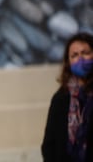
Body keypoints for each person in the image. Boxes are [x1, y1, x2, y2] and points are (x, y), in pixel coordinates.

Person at [42, 32, 93, 162]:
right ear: (68, 62)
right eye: (74, 55)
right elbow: (49, 144)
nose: (80, 59)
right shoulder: (61, 98)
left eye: (85, 53)